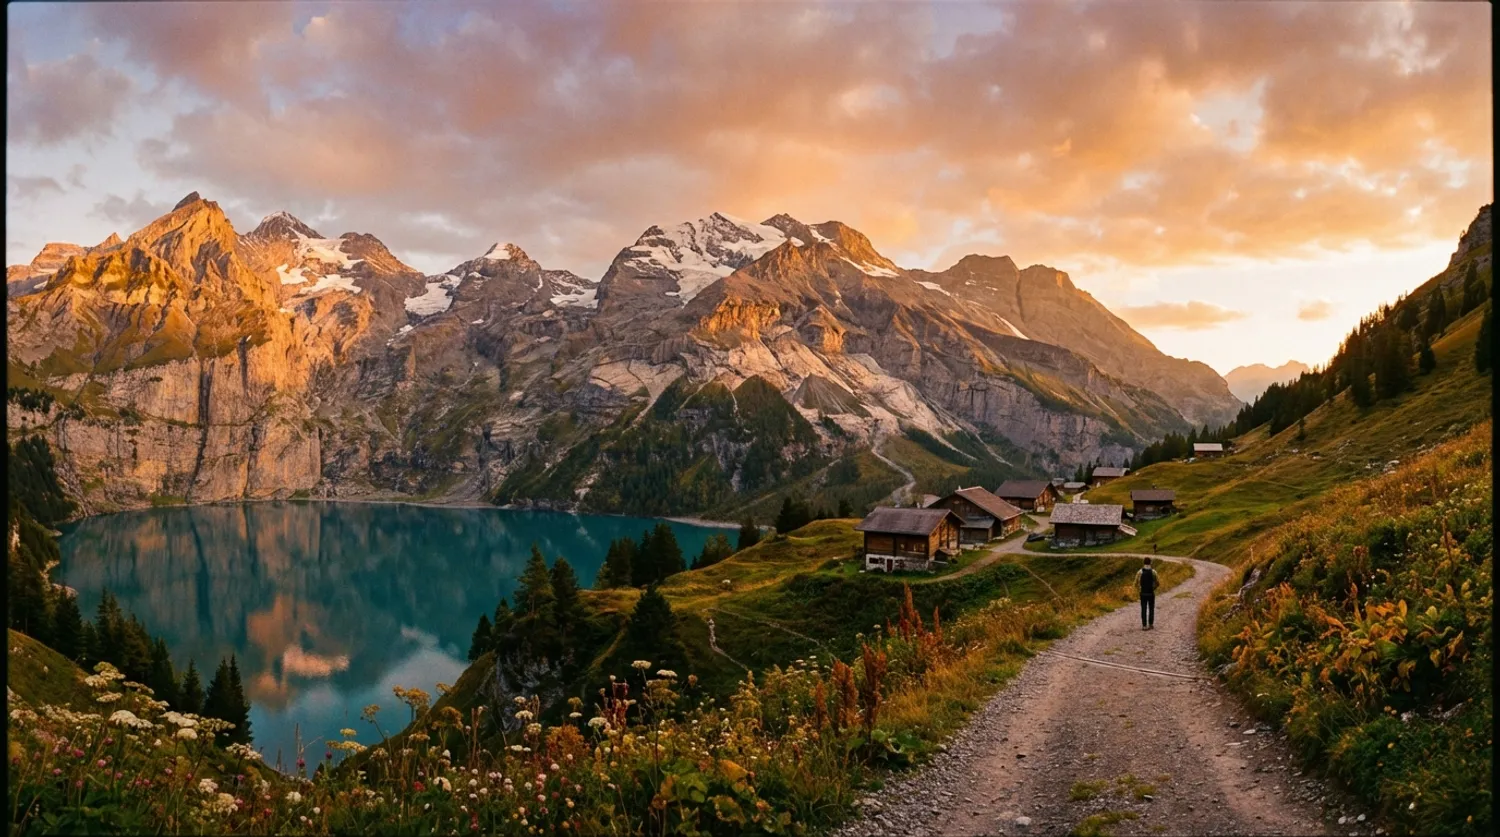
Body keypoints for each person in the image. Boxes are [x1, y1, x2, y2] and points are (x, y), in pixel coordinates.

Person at [1135, 557, 1158, 630]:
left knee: (1143, 609)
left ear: (1143, 563)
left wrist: (1140, 589)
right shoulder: (1154, 572)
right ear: (1150, 563)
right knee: (1151, 608)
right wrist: (1153, 588)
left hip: (1143, 593)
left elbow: (1135, 583)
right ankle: (1151, 624)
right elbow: (1157, 583)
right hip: (1151, 593)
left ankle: (1144, 625)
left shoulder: (1139, 572)